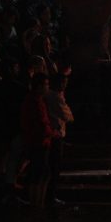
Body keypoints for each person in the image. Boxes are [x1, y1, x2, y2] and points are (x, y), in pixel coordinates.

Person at [20, 73, 55, 206]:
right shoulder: (35, 102)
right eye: (46, 84)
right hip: (38, 142)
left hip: (40, 141)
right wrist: (52, 133)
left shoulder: (37, 100)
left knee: (42, 172)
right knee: (39, 173)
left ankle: (38, 202)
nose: (48, 87)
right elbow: (40, 124)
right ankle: (36, 202)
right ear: (39, 86)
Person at [45, 73, 73, 206]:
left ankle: (48, 196)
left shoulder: (49, 95)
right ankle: (50, 196)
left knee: (51, 166)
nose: (65, 85)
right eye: (64, 83)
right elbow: (68, 116)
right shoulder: (55, 97)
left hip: (52, 133)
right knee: (54, 166)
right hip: (56, 133)